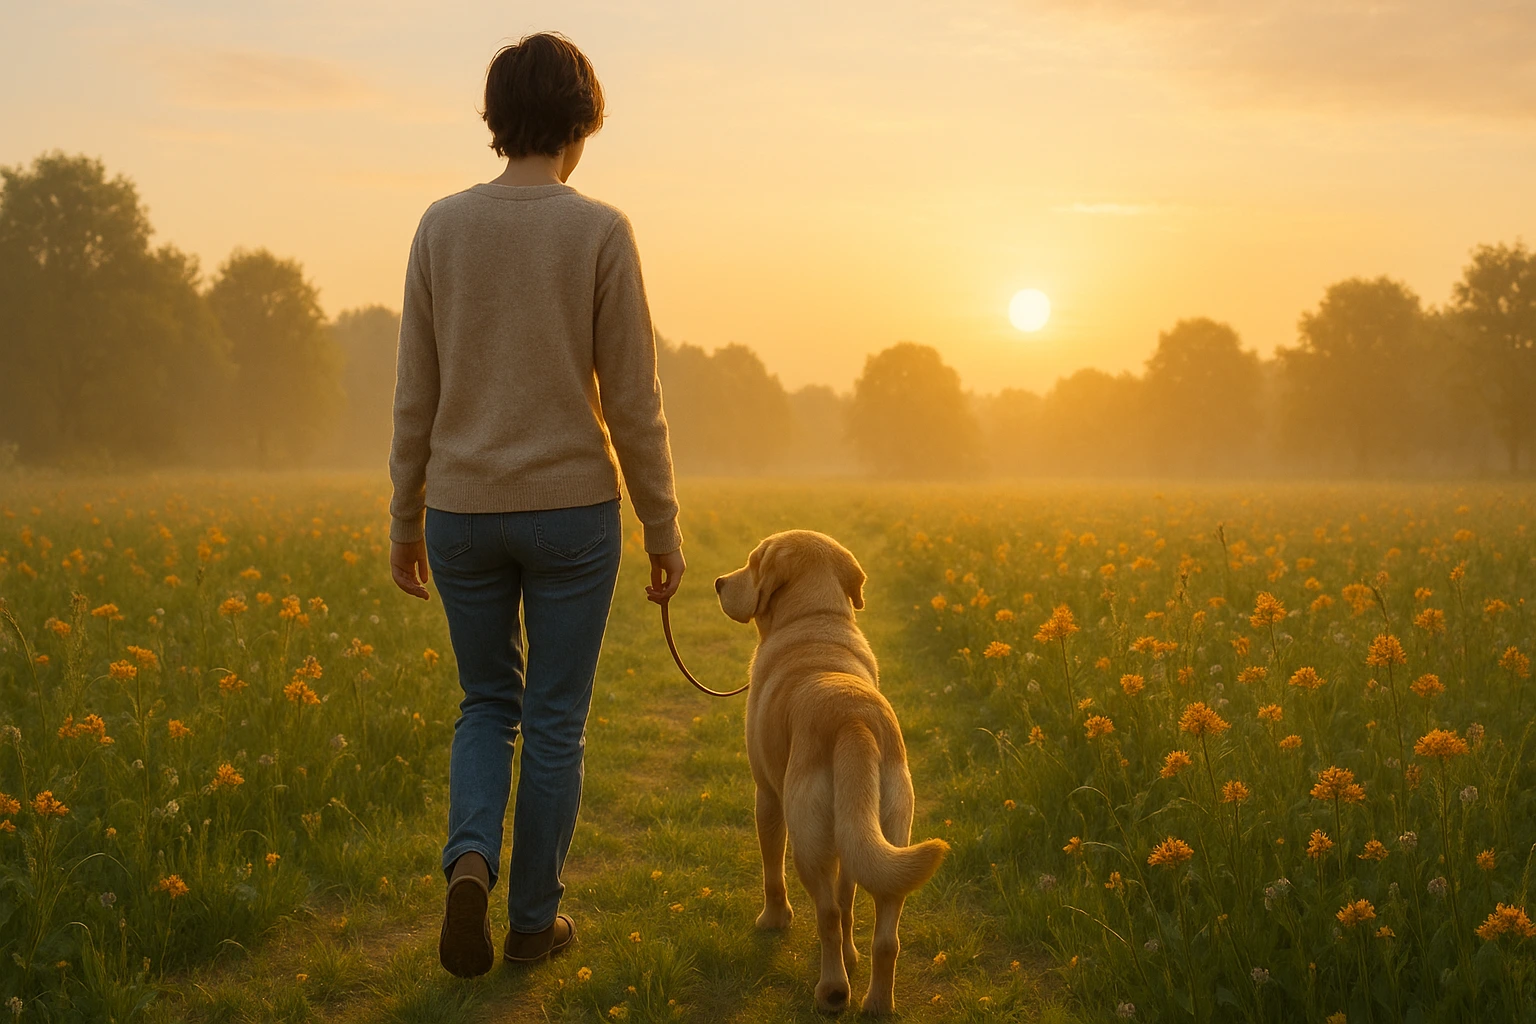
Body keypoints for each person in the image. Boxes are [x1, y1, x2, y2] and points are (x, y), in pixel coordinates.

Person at [387, 32, 685, 978]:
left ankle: (468, 863)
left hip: (462, 513)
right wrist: (661, 523)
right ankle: (532, 923)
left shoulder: (439, 226)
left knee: (487, 703)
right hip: (572, 512)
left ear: (498, 119)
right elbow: (632, 400)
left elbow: (414, 394)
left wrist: (405, 515)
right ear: (579, 122)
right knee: (555, 719)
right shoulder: (599, 229)